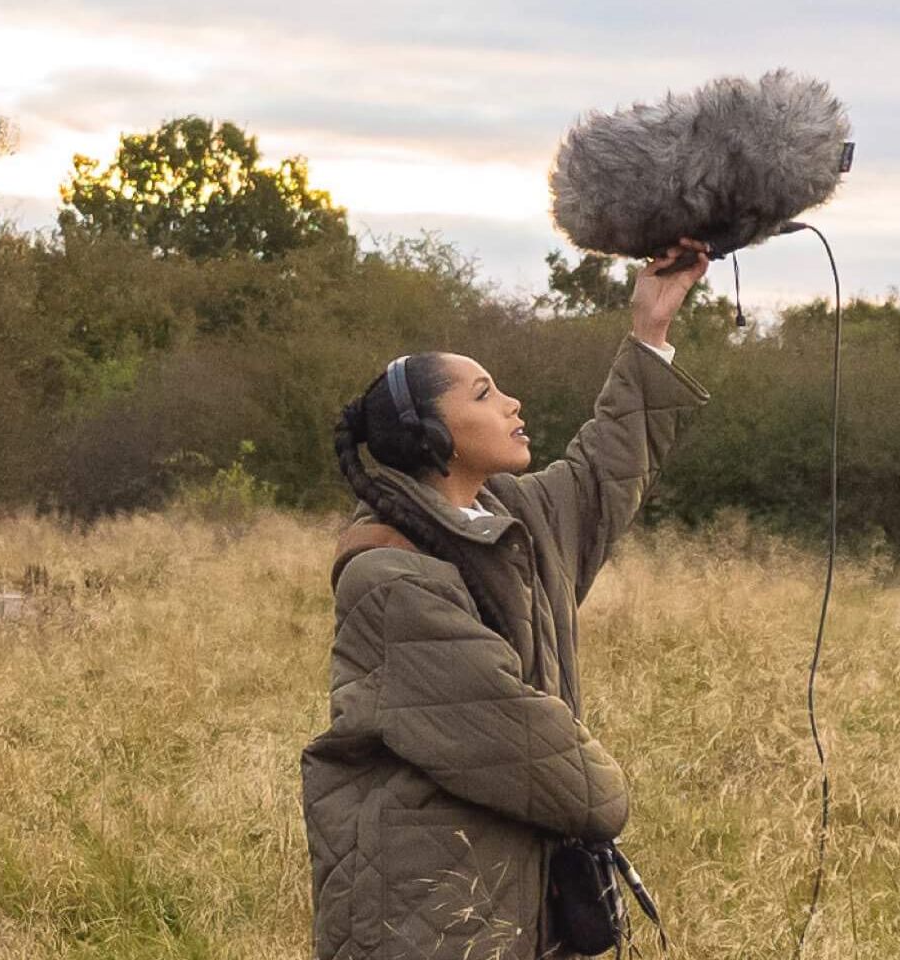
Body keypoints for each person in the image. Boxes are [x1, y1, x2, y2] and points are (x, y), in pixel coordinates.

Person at [302, 237, 714, 959]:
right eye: (485, 394)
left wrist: (650, 331)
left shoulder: (509, 518)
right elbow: (545, 762)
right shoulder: (387, 580)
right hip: (426, 920)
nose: (512, 402)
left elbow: (600, 477)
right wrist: (606, 796)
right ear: (429, 433)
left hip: (502, 901)